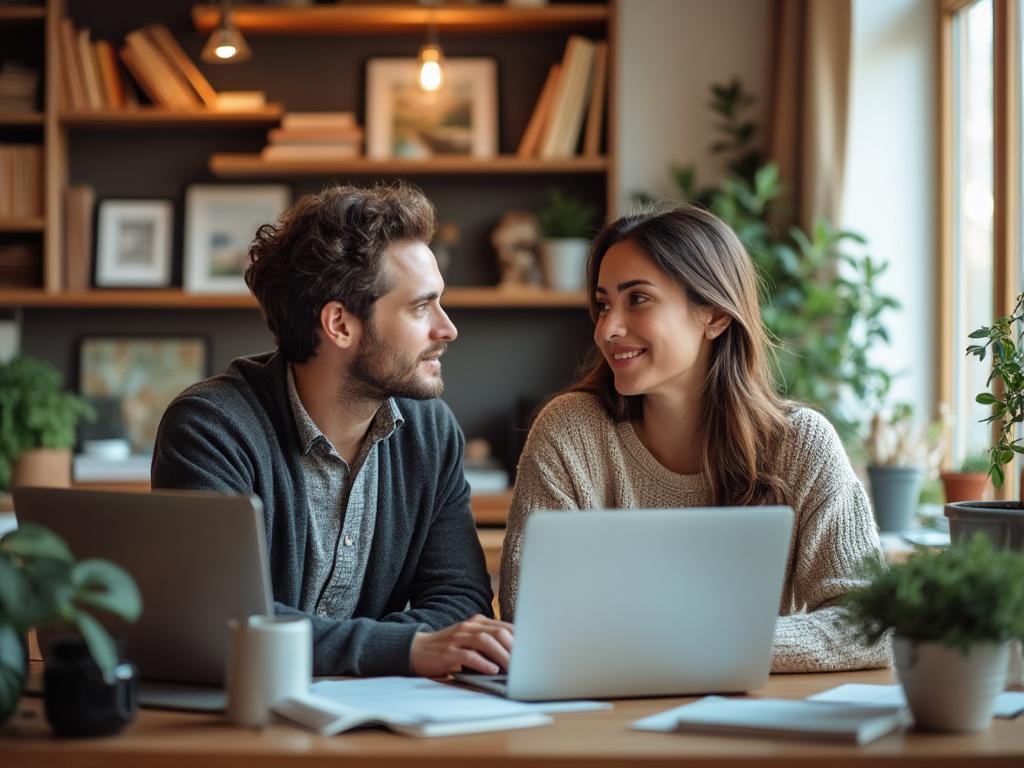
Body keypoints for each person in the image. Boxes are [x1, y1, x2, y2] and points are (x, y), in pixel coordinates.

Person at [499, 204, 891, 673]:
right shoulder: (569, 432)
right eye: (603, 305)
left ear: (715, 315)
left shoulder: (802, 444)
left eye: (637, 299)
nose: (607, 329)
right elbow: (533, 618)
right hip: (604, 722)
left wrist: (697, 641)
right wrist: (711, 641)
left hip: (748, 723)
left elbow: (872, 624)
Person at [152, 183, 512, 678]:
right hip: (246, 722)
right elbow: (222, 618)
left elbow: (460, 599)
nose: (447, 329)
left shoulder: (431, 432)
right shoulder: (211, 428)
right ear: (339, 324)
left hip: (381, 718)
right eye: (421, 307)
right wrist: (408, 648)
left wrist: (404, 647)